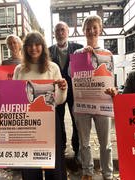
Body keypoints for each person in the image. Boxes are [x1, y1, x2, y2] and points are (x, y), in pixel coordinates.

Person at [13, 31, 68, 180]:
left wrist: (63, 89)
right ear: (25, 48)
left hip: (49, 119)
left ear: (43, 47)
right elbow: (14, 98)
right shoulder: (19, 70)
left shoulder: (53, 68)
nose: (33, 48)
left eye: (37, 44)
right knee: (30, 161)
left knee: (53, 159)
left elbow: (59, 100)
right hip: (27, 121)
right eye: (30, 45)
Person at [73, 15, 114, 180]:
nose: (91, 30)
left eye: (94, 27)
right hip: (83, 104)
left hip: (103, 103)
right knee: (84, 143)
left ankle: (107, 174)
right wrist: (83, 57)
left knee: (106, 144)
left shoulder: (107, 53)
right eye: (88, 28)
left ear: (100, 29)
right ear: (83, 31)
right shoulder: (77, 53)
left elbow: (110, 77)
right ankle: (87, 171)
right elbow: (71, 75)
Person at [49, 21, 83, 160]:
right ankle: (61, 148)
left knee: (77, 121)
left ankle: (77, 150)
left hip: (75, 91)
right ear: (54, 33)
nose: (60, 33)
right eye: (57, 31)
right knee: (58, 120)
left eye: (62, 30)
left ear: (68, 32)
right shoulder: (48, 51)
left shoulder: (78, 48)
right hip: (57, 91)